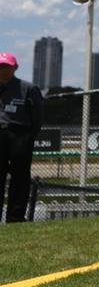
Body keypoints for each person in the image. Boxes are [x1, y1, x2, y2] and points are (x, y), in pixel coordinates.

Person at [0, 52, 42, 222]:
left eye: (7, 67)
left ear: (15, 68)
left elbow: (38, 116)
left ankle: (15, 217)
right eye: (1, 67)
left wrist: (28, 136)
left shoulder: (28, 89)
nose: (3, 70)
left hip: (20, 135)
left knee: (20, 177)